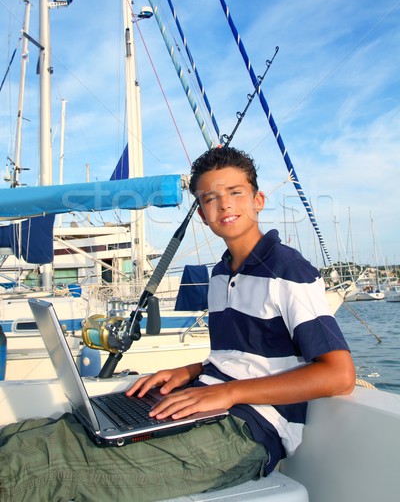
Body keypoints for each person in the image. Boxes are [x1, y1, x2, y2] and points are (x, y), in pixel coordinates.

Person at [0, 147, 355, 502]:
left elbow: (339, 375)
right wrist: (190, 370)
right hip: (203, 402)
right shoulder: (220, 274)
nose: (225, 205)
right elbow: (244, 356)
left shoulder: (288, 271)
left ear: (258, 200)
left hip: (247, 433)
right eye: (210, 198)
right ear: (202, 214)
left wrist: (228, 393)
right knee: (28, 439)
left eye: (236, 193)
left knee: (34, 470)